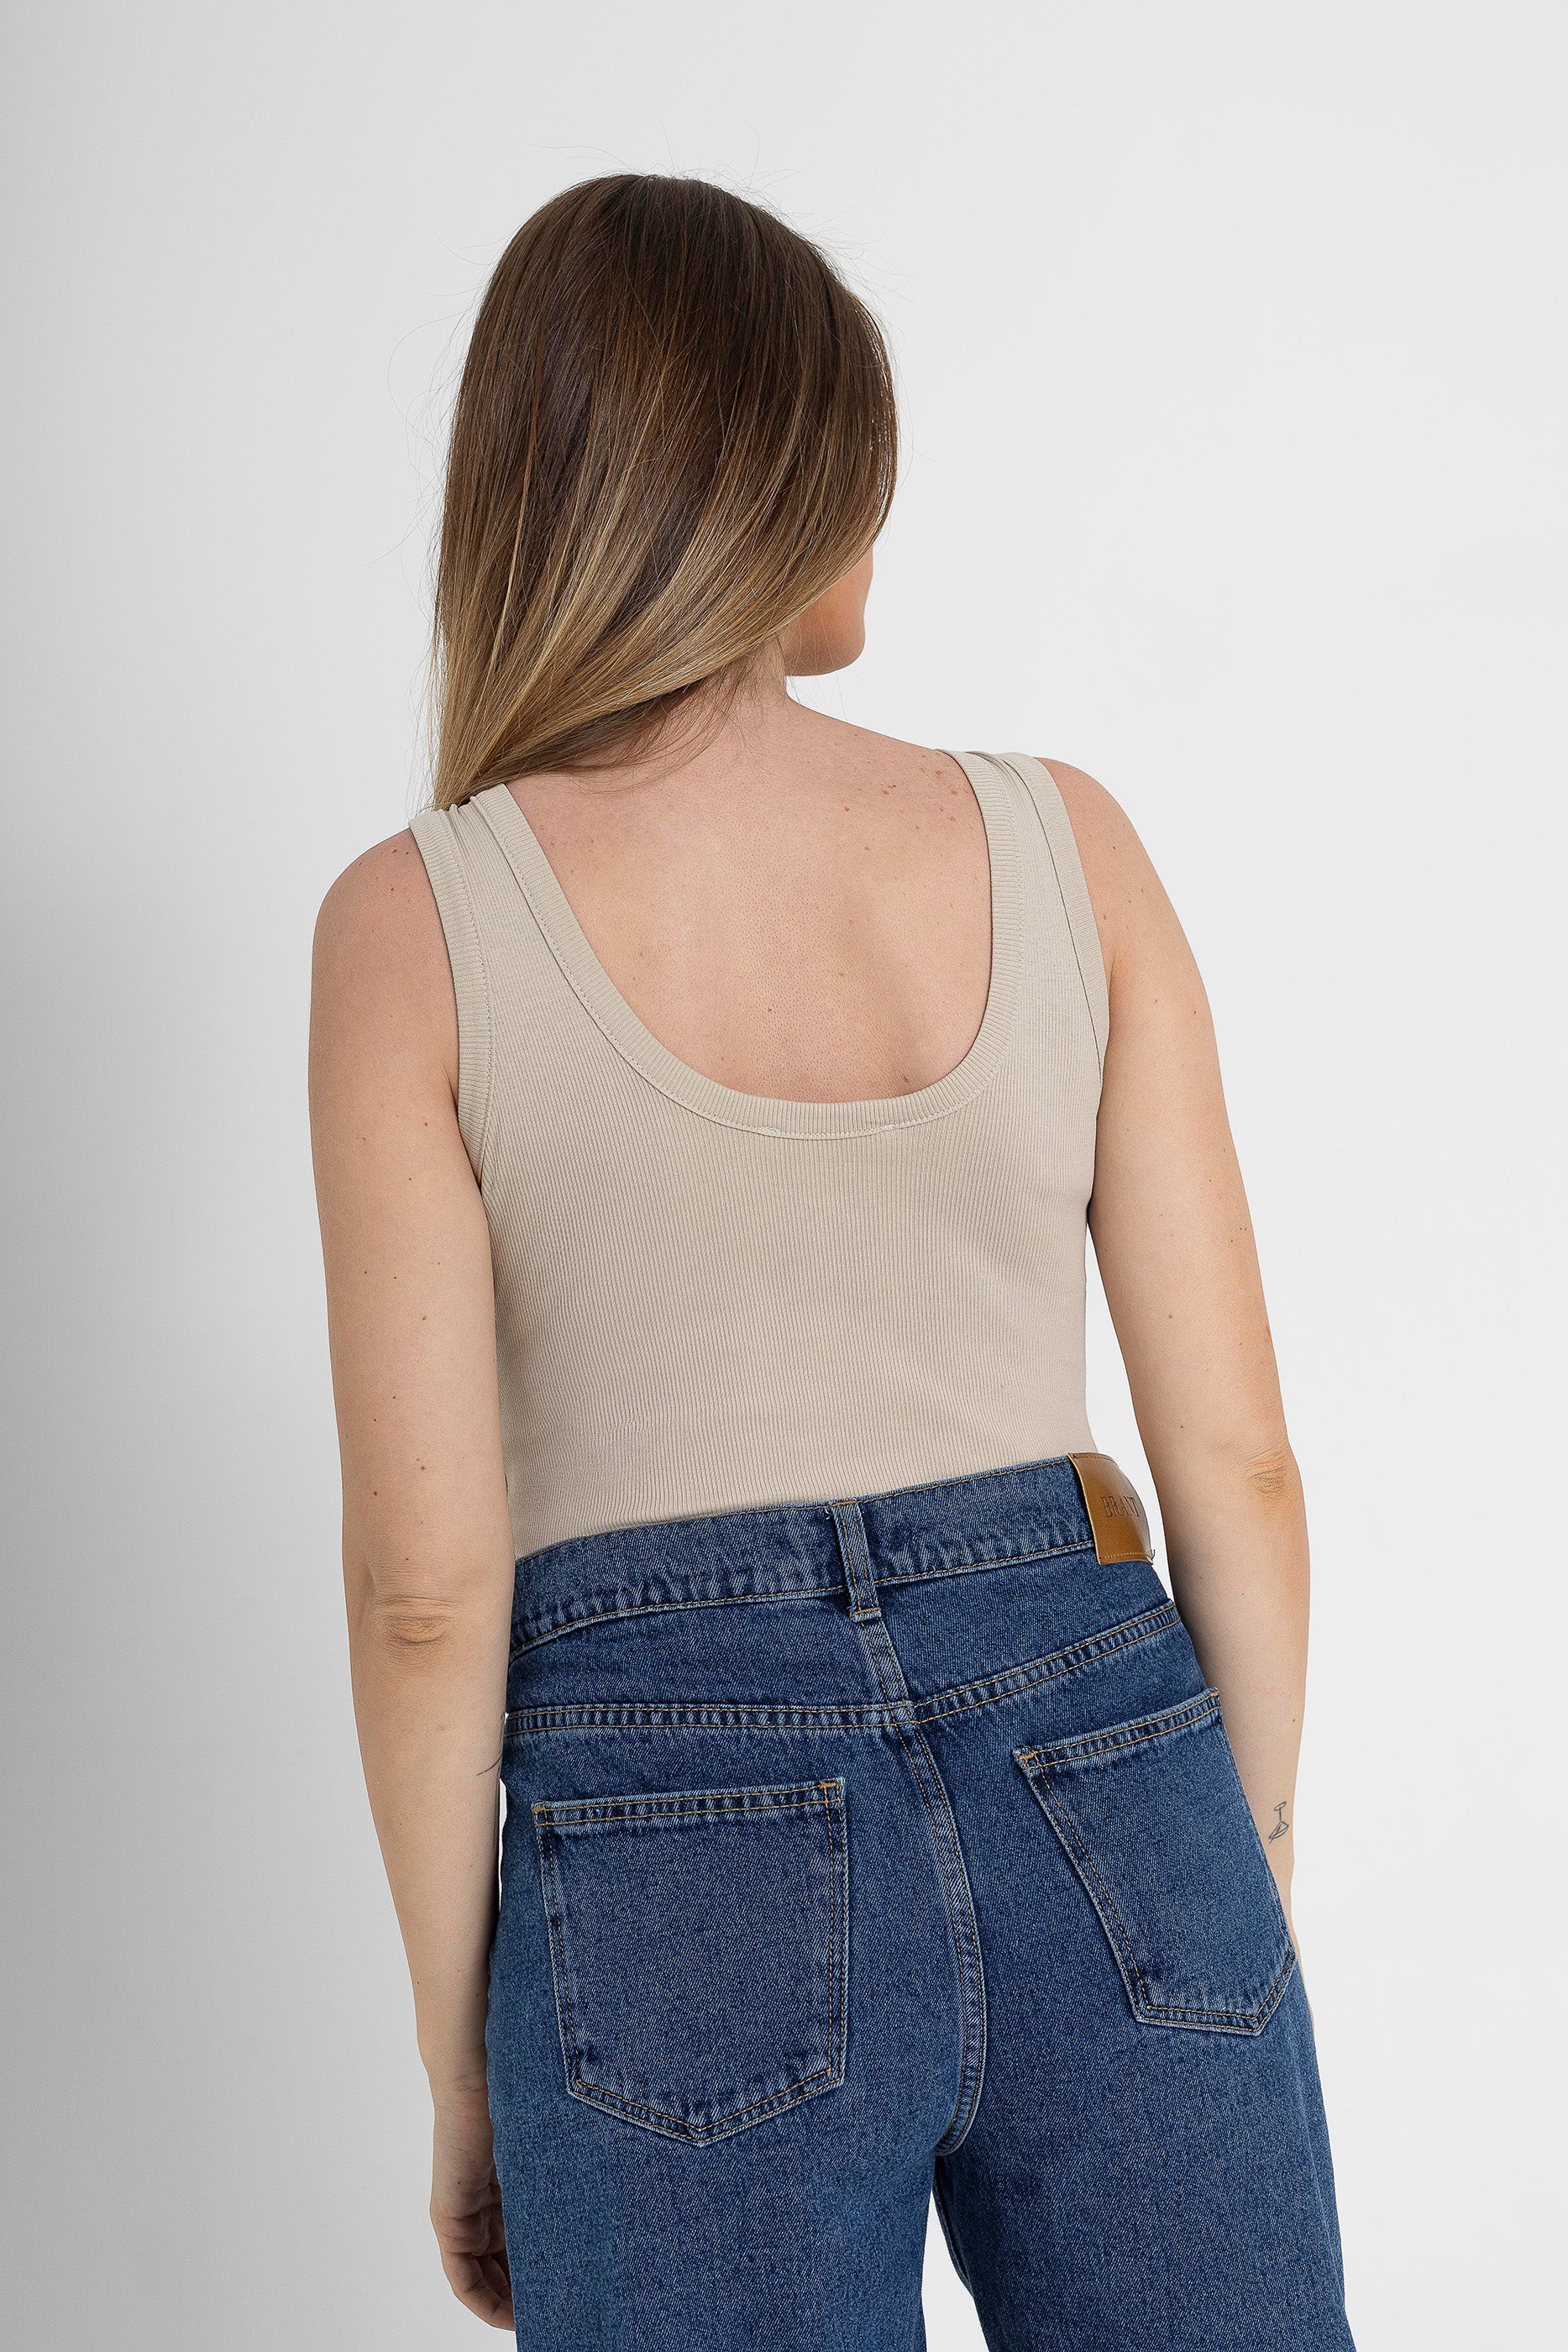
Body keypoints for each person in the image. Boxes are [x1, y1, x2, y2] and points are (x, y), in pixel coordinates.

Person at [310, 173, 1355, 2350]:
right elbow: (1234, 1464)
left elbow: (427, 1594)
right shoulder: (1065, 845)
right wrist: (1231, 1871)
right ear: (773, 479)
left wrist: (461, 2066)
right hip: (1108, 1758)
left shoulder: (415, 929)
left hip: (662, 1820)